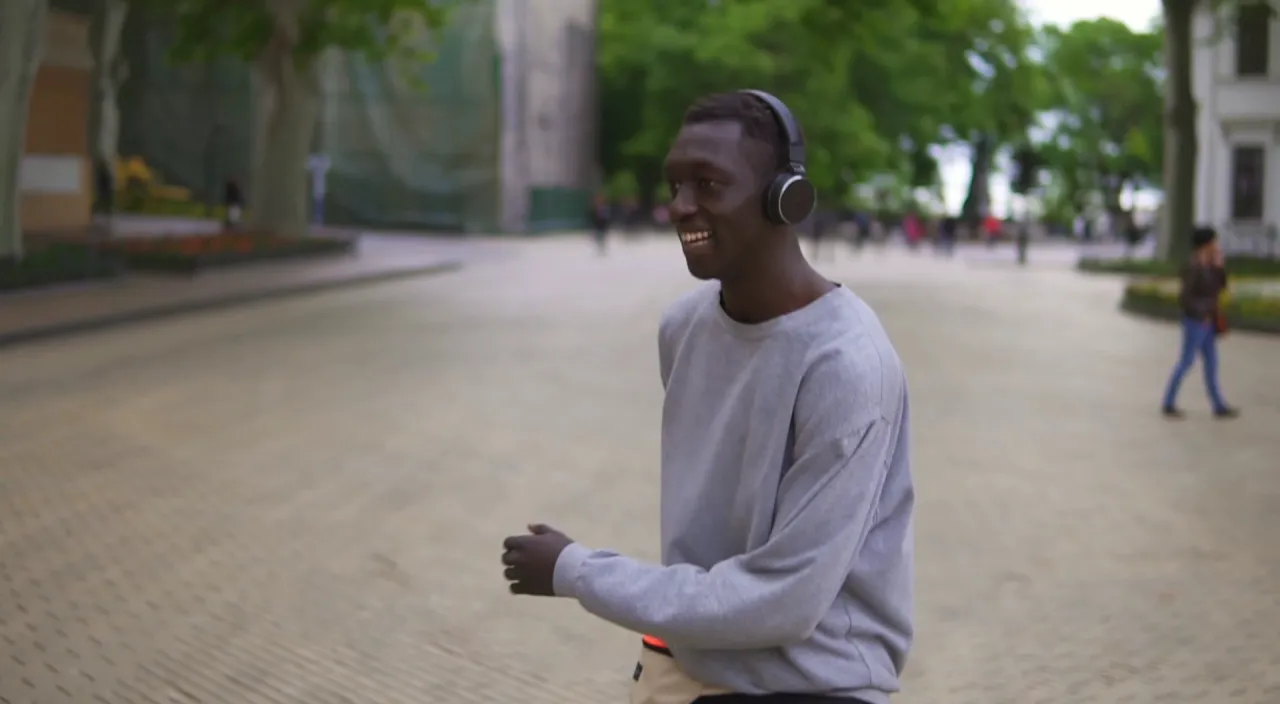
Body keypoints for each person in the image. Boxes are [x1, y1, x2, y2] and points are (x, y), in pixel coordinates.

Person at [501, 90, 914, 703]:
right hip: (689, 665)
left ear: (786, 198)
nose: (680, 207)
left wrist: (578, 571)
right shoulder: (684, 327)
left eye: (708, 184)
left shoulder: (848, 366)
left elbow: (785, 601)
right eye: (674, 185)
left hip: (817, 684)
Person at [1161, 226, 1239, 419]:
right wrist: (1201, 312)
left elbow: (1221, 287)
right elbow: (1186, 297)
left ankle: (1218, 405)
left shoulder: (1210, 265)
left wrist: (1219, 266)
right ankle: (1168, 401)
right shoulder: (1193, 266)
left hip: (1209, 320)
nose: (1216, 245)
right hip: (1196, 321)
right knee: (1187, 361)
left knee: (1211, 363)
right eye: (1213, 242)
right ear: (1205, 244)